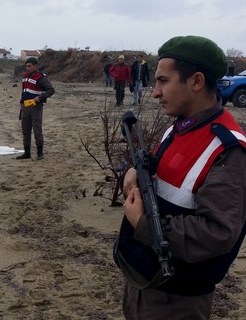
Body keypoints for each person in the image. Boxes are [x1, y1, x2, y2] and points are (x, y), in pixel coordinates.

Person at [114, 35, 246, 319]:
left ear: (196, 82)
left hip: (175, 301)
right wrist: (134, 170)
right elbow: (167, 175)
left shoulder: (228, 150)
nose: (155, 92)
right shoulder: (180, 127)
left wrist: (144, 224)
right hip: (144, 283)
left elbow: (219, 232)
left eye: (163, 81)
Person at [16, 57, 55, 160]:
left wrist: (40, 98)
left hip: (36, 107)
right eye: (26, 66)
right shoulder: (24, 76)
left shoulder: (41, 77)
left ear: (35, 66)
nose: (27, 68)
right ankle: (27, 152)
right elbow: (24, 91)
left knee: (37, 130)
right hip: (25, 106)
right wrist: (21, 106)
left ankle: (40, 153)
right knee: (26, 131)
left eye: (29, 66)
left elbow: (51, 90)